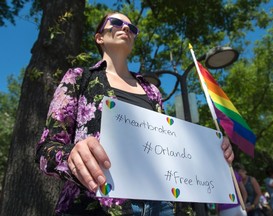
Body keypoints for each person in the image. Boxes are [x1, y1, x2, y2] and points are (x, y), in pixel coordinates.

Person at [35, 11, 234, 215]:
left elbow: (169, 150)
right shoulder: (78, 78)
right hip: (94, 204)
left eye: (132, 27)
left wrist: (213, 152)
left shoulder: (153, 91)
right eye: (116, 22)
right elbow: (45, 149)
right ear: (99, 37)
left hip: (161, 205)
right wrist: (71, 156)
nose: (126, 28)